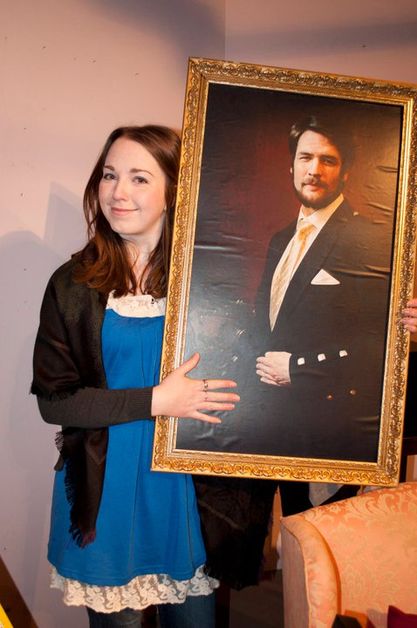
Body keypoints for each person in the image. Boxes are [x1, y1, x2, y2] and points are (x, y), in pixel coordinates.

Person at [31, 125, 275, 628]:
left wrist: (390, 323)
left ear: (173, 191)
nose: (118, 192)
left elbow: (264, 363)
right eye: (109, 175)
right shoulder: (72, 285)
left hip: (187, 495)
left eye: (139, 178)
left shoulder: (209, 281)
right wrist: (156, 401)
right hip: (107, 491)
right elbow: (55, 402)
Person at [252, 114, 392, 513]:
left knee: (326, 541)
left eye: (328, 160)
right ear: (292, 166)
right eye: (306, 157)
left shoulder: (370, 239)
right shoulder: (281, 239)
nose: (314, 170)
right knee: (292, 539)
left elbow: (376, 347)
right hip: (277, 423)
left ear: (345, 172)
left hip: (333, 430)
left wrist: (298, 368)